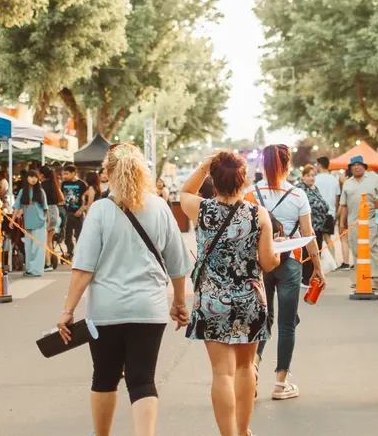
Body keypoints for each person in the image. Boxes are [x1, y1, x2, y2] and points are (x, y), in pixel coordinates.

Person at [57, 144, 191, 436]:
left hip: (106, 311)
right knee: (143, 380)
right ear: (143, 170)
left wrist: (68, 310)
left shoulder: (99, 210)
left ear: (107, 173)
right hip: (149, 309)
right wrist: (180, 303)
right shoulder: (160, 208)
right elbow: (178, 265)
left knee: (104, 377)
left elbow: (84, 269)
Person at [181, 151, 280, 436]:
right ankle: (244, 429)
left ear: (214, 180)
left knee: (221, 373)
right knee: (246, 367)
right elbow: (267, 262)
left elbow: (185, 191)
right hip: (249, 300)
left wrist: (205, 165)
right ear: (243, 180)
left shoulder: (202, 210)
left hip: (212, 300)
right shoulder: (258, 214)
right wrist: (277, 256)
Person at [245, 144, 326, 400]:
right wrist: (317, 268)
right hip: (290, 262)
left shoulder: (250, 194)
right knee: (287, 323)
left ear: (263, 165)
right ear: (288, 166)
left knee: (261, 318)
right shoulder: (297, 195)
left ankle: (252, 368)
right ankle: (281, 383)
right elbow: (308, 234)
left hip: (259, 263)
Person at [339, 155, 378, 288]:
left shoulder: (375, 179)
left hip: (371, 221)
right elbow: (344, 205)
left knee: (371, 249)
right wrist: (342, 223)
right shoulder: (347, 183)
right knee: (356, 250)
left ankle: (375, 280)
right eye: (353, 165)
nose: (356, 167)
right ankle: (361, 279)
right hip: (353, 223)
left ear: (364, 166)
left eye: (358, 164)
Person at [298, 164, 331, 286]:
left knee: (317, 253)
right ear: (303, 177)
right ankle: (306, 278)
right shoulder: (300, 189)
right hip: (307, 226)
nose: (311, 178)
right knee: (308, 254)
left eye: (313, 175)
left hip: (319, 226)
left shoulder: (314, 188)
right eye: (308, 175)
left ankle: (315, 276)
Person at [13, 170, 49, 277]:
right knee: (28, 247)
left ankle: (37, 270)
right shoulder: (22, 192)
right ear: (26, 178)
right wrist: (12, 220)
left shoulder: (41, 192)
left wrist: (48, 221)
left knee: (38, 248)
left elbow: (45, 208)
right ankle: (29, 269)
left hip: (39, 222)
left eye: (35, 177)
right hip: (28, 223)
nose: (33, 179)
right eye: (31, 177)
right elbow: (17, 207)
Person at [314, 157, 343, 265]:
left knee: (316, 239)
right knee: (328, 238)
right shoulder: (334, 180)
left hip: (317, 213)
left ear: (319, 164)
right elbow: (337, 199)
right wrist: (335, 214)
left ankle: (317, 262)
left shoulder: (315, 179)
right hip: (330, 213)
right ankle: (333, 261)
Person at [39, 166, 64, 272]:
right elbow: (62, 199)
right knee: (49, 240)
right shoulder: (54, 184)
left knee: (44, 240)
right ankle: (50, 262)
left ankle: (47, 263)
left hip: (47, 212)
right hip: (55, 211)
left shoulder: (41, 186)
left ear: (42, 174)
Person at [61, 165, 85, 260]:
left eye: (66, 174)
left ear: (73, 173)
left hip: (78, 213)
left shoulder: (81, 184)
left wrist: (81, 209)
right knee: (67, 235)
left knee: (79, 235)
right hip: (67, 212)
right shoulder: (64, 184)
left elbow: (85, 199)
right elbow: (62, 196)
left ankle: (81, 255)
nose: (64, 176)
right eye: (64, 174)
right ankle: (69, 253)